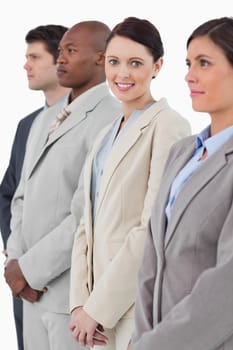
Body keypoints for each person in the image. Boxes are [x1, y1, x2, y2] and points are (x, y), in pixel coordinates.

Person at [69, 17, 191, 350]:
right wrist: (80, 304)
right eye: (114, 62)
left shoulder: (169, 127)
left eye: (135, 63)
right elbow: (85, 224)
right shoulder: (104, 136)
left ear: (158, 66)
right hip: (94, 318)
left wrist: (97, 308)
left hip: (132, 307)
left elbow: (151, 228)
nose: (122, 74)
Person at [4, 20, 122, 350]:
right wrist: (15, 264)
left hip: (72, 300)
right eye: (59, 52)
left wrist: (29, 269)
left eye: (71, 51)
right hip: (29, 295)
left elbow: (90, 214)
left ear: (101, 58)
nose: (61, 59)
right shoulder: (43, 119)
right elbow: (19, 197)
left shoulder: (113, 118)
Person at [128, 16, 233, 350]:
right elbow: (151, 260)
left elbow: (226, 287)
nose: (189, 75)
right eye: (189, 63)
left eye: (204, 63)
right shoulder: (182, 152)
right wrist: (142, 338)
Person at [0, 24, 69, 350]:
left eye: (34, 57)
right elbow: (9, 193)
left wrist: (36, 263)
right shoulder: (26, 125)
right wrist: (17, 254)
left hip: (64, 276)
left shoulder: (101, 120)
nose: (26, 65)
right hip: (22, 275)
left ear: (61, 61)